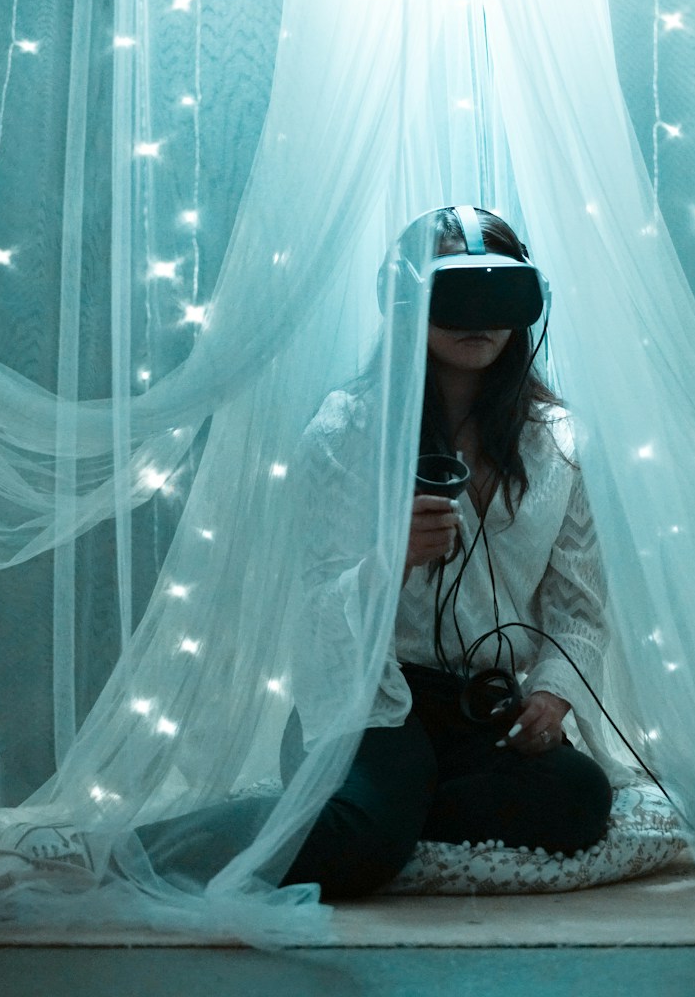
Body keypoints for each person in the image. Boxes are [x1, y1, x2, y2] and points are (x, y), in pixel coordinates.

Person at [136, 207, 614, 898]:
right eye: (451, 294)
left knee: (578, 800)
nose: (476, 316)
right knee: (362, 846)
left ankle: (387, 810)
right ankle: (141, 848)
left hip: (485, 707)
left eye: (494, 292)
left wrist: (552, 696)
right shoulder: (346, 431)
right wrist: (389, 563)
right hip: (372, 697)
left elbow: (580, 607)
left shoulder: (559, 442)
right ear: (404, 299)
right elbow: (317, 610)